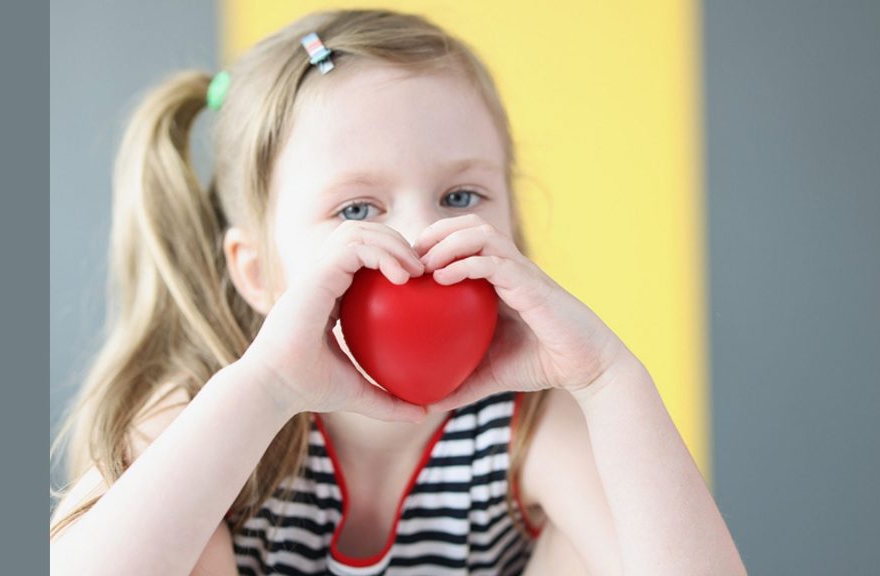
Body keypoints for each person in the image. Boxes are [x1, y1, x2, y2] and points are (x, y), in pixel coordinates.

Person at [49, 8, 746, 576]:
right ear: (257, 272)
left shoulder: (526, 426)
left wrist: (608, 379)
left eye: (460, 195)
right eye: (357, 209)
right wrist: (262, 390)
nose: (418, 241)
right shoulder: (204, 406)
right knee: (176, 527)